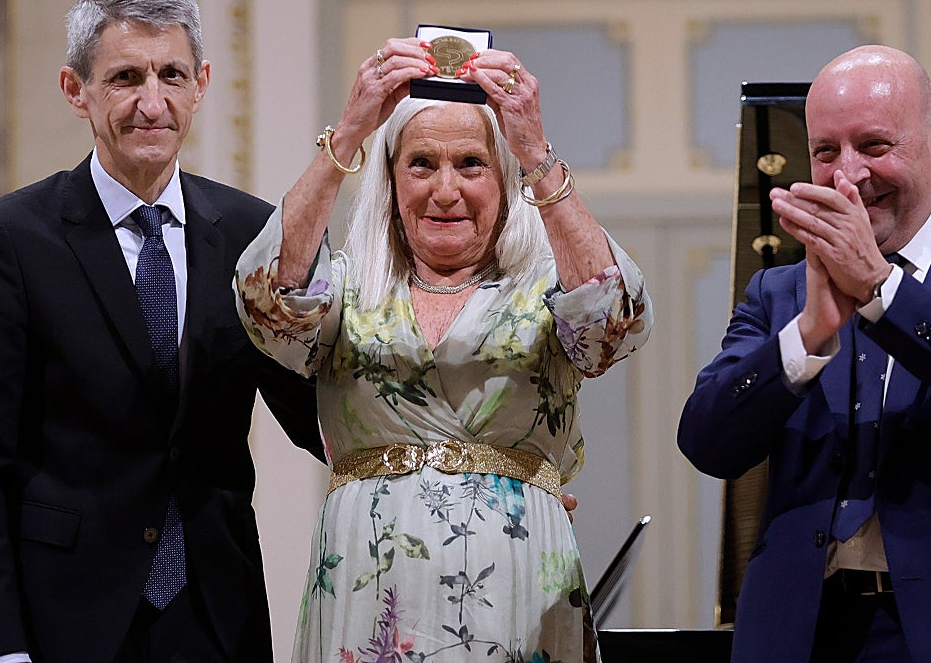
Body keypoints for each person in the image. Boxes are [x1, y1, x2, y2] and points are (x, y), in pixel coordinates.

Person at [0, 0, 323, 663]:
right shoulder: (7, 241)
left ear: (201, 83)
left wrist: (477, 467)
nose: (152, 103)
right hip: (58, 624)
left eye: (171, 75)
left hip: (214, 620)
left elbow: (320, 412)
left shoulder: (250, 233)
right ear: (75, 90)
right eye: (124, 78)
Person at [234, 38, 653, 662]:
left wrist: (535, 152)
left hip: (518, 587)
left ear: (505, 180)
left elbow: (616, 318)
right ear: (391, 179)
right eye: (422, 164)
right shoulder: (350, 288)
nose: (445, 189)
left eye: (471, 164)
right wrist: (349, 134)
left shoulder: (544, 286)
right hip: (369, 588)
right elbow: (268, 299)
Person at [677, 45, 931, 662]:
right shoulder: (778, 290)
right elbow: (707, 441)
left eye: (873, 146)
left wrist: (881, 292)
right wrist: (807, 335)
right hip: (804, 633)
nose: (848, 176)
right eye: (825, 152)